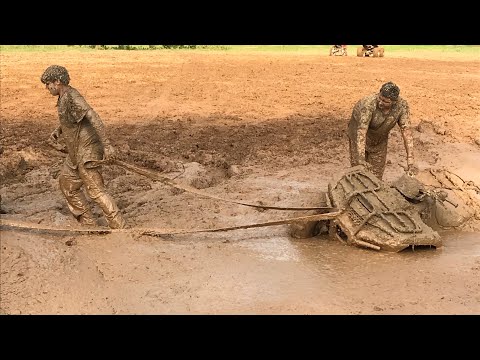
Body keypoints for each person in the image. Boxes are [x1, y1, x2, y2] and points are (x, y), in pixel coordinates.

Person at [41, 65, 126, 229]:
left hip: (87, 150)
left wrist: (107, 145)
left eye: (48, 84)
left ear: (57, 81)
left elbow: (92, 117)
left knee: (96, 190)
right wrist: (57, 132)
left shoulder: (72, 96)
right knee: (67, 183)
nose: (47, 88)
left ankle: (120, 227)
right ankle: (89, 225)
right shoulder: (64, 97)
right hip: (75, 152)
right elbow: (71, 119)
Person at [347, 81, 418, 180]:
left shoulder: (401, 106)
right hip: (358, 136)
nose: (381, 103)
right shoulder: (368, 104)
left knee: (376, 176)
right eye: (380, 98)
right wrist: (361, 158)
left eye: (386, 102)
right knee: (359, 172)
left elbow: (406, 131)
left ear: (394, 102)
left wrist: (410, 161)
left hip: (379, 140)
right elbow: (361, 131)